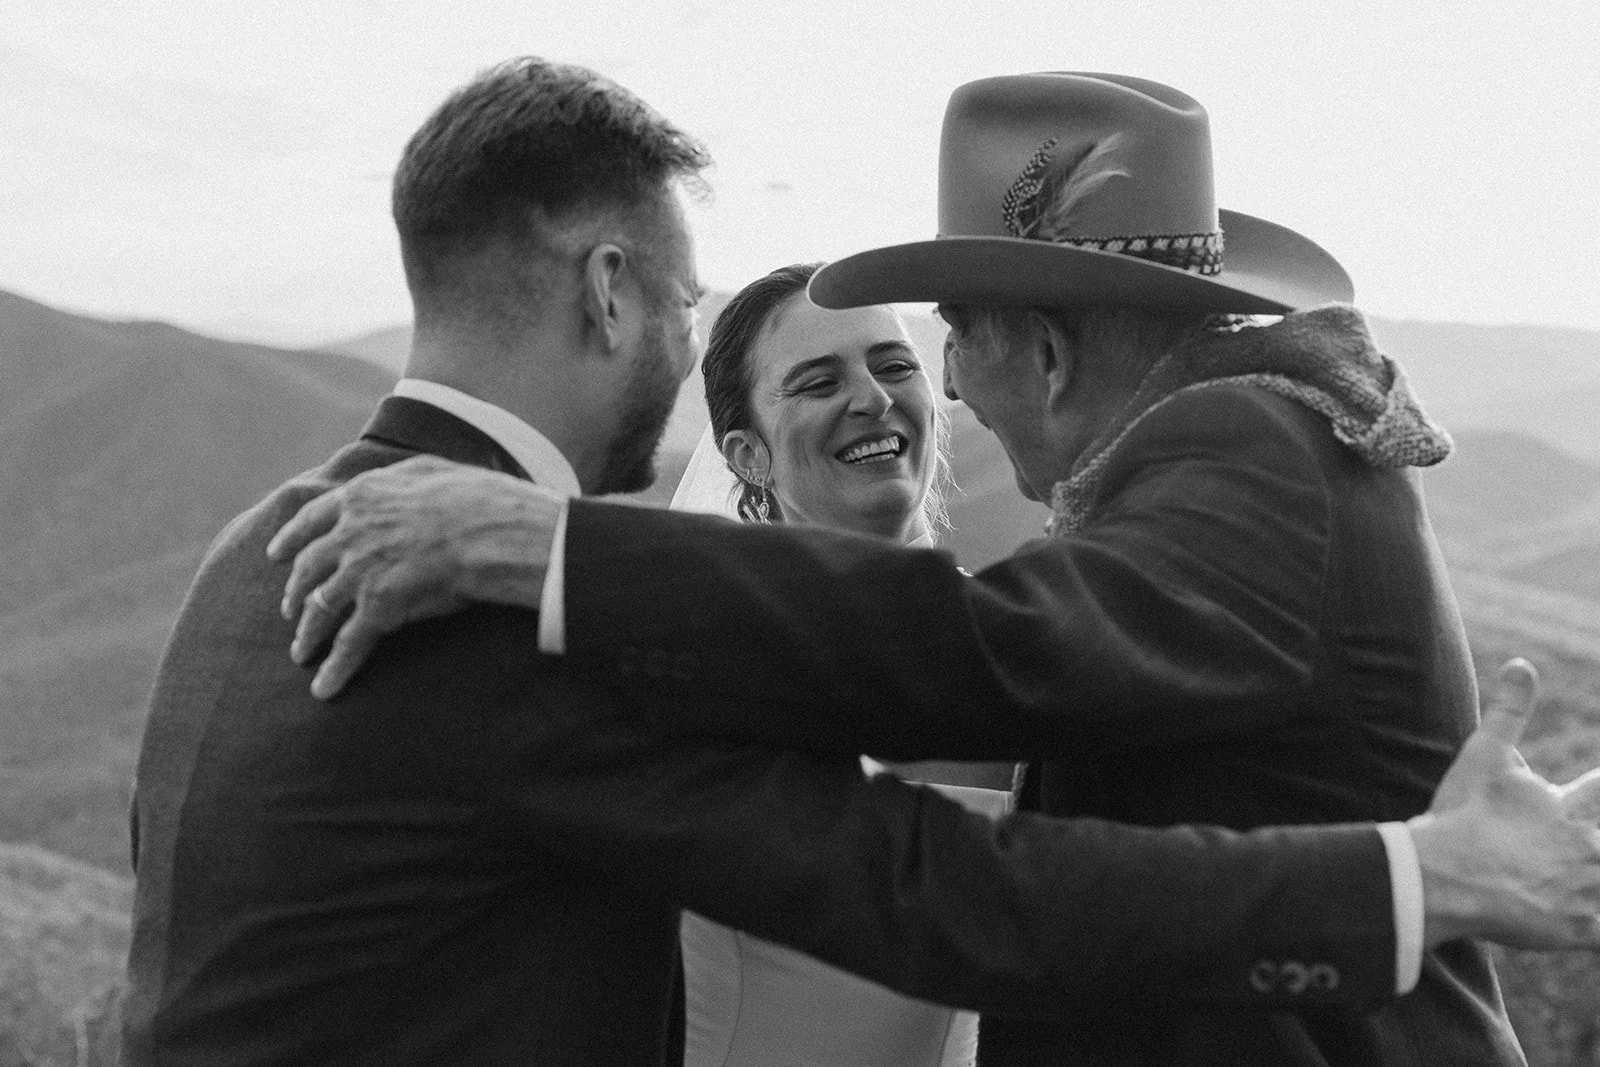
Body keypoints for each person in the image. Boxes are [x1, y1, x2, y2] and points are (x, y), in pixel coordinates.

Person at [124, 59, 1561, 1066]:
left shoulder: (263, 544)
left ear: (1045, 345)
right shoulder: (484, 612)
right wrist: (1416, 882)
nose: (934, 385)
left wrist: (561, 547)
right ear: (611, 290)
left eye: (940, 341)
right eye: (689, 307)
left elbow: (1003, 660)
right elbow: (952, 890)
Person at [674, 261, 1014, 1066]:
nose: (871, 396)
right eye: (818, 381)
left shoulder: (1010, 650)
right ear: (747, 455)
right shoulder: (700, 662)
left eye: (894, 365)